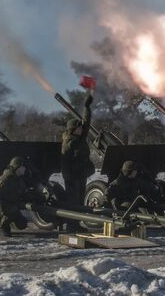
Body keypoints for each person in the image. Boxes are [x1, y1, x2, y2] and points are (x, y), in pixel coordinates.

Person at [61, 93, 95, 231]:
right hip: (73, 176)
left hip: (81, 174)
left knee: (80, 200)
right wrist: (68, 177)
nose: (82, 129)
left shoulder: (80, 138)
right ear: (73, 130)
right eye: (79, 128)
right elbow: (64, 161)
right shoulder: (68, 143)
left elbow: (86, 122)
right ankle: (71, 225)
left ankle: (77, 224)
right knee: (73, 201)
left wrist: (87, 107)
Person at [0, 156, 28, 237]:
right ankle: (1, 227)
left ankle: (7, 224)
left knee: (22, 224)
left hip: (12, 204)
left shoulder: (19, 179)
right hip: (3, 204)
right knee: (13, 210)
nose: (24, 169)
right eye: (22, 167)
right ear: (16, 167)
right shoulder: (5, 179)